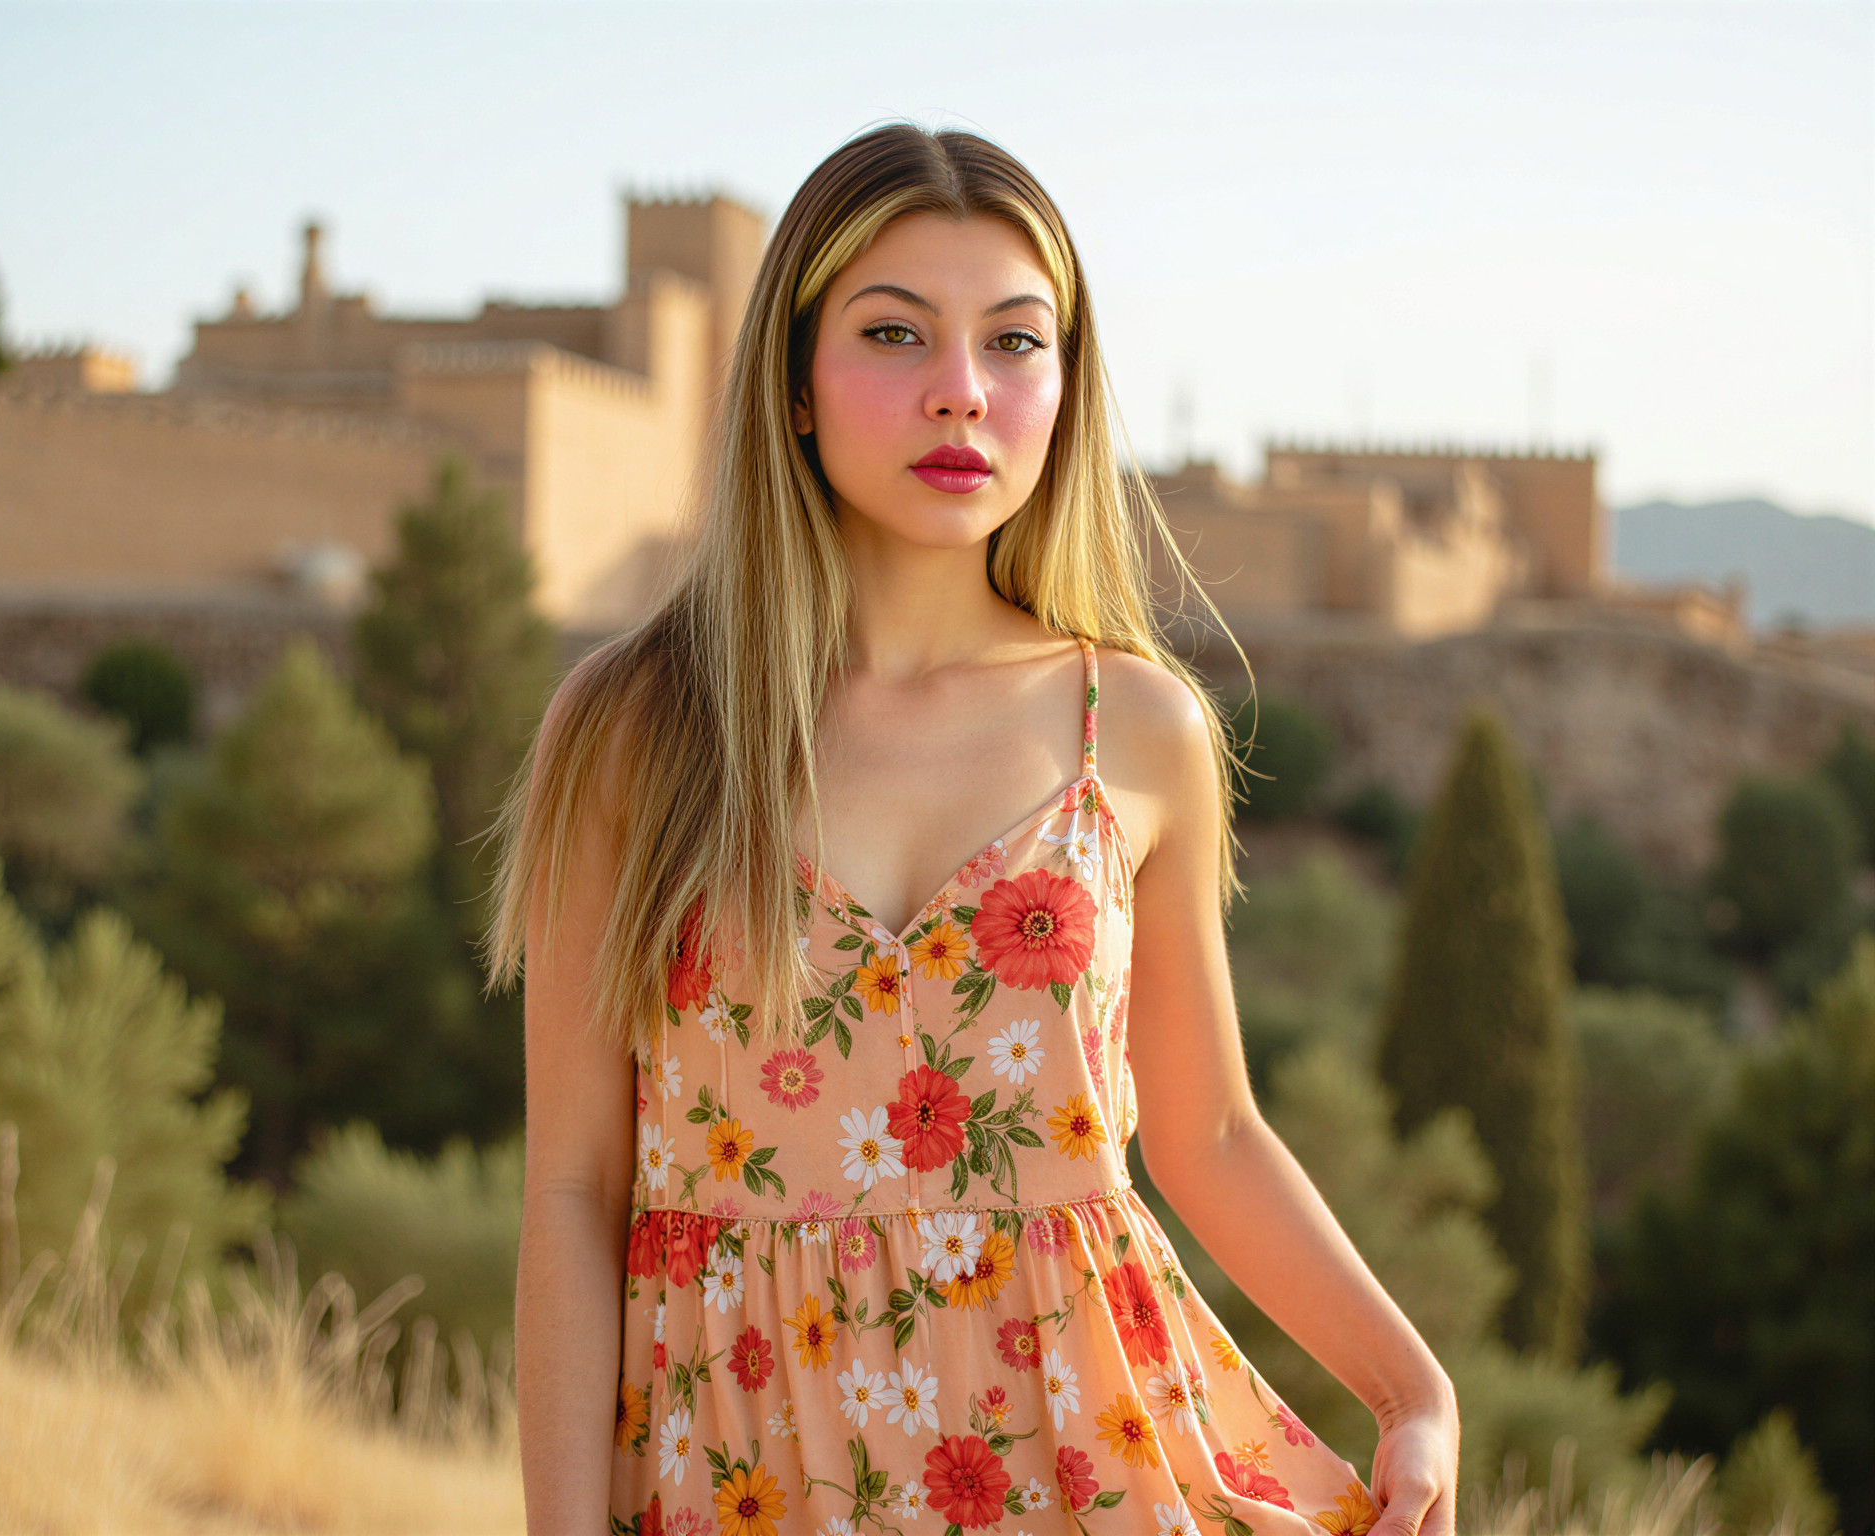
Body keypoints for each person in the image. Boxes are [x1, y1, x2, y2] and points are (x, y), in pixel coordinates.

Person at [492, 124, 1458, 1536]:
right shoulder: (640, 725)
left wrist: (1408, 1386)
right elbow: (575, 1189)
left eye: (1016, 344)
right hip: (741, 1468)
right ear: (798, 387)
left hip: (1088, 1461)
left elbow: (1209, 1133)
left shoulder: (1134, 729)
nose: (963, 394)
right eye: (894, 336)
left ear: (1065, 389)